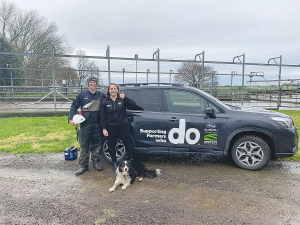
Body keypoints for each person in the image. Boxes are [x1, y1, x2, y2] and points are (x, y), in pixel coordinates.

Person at [68, 76, 105, 176]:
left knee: (97, 144)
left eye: (94, 82)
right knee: (84, 144)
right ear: (88, 84)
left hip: (97, 123)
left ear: (96, 84)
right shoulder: (82, 95)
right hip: (85, 123)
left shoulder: (101, 95)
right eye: (91, 82)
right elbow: (74, 106)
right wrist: (70, 118)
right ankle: (84, 165)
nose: (92, 84)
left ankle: (95, 162)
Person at [99, 83, 138, 172]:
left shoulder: (122, 99)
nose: (113, 90)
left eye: (115, 88)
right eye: (111, 89)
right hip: (110, 126)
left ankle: (131, 161)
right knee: (111, 144)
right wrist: (104, 128)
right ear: (109, 91)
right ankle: (115, 162)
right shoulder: (104, 102)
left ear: (117, 90)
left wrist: (125, 98)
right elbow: (102, 116)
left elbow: (133, 105)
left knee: (127, 143)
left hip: (123, 125)